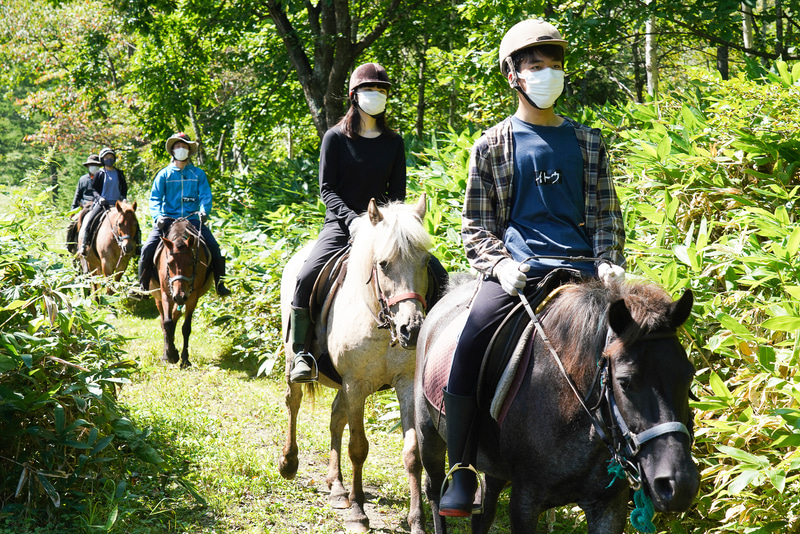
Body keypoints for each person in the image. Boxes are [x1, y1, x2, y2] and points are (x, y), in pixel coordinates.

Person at [438, 19, 627, 517]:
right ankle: (460, 471)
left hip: (585, 276)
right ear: (513, 76)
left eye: (555, 66)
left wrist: (607, 260)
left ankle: (636, 464)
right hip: (519, 276)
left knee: (643, 351)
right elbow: (476, 226)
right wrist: (498, 266)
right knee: (470, 342)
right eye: (536, 67)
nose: (549, 75)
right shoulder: (492, 145)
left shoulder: (589, 143)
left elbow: (606, 216)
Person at [288, 62, 448, 383]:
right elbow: (326, 189)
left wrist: (390, 223)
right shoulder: (334, 138)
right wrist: (353, 220)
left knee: (438, 276)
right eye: (369, 89)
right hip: (341, 225)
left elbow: (397, 194)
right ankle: (301, 353)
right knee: (306, 276)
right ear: (353, 95)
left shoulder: (393, 143)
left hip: (386, 230)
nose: (376, 94)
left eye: (381, 90)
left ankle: (440, 347)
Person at [137, 132, 231, 297]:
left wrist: (204, 211)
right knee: (147, 248)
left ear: (189, 150)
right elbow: (155, 198)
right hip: (167, 220)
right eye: (177, 146)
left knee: (215, 248)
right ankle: (141, 286)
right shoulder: (163, 175)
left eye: (184, 146)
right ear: (173, 150)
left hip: (192, 220)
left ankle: (219, 285)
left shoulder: (198, 174)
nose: (181, 149)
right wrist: (157, 216)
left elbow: (205, 196)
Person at [78, 147, 129, 257]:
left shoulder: (119, 173)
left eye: (111, 157)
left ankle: (137, 245)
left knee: (131, 220)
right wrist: (100, 198)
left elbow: (124, 188)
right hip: (103, 204)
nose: (109, 159)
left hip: (117, 204)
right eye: (106, 157)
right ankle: (84, 243)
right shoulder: (100, 173)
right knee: (90, 220)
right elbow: (94, 190)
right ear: (102, 159)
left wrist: (123, 197)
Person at [66, 154, 100, 254]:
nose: (93, 167)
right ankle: (68, 246)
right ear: (88, 166)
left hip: (99, 205)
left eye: (95, 165)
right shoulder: (83, 179)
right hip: (85, 206)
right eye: (91, 165)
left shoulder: (103, 178)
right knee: (71, 225)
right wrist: (73, 210)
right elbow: (77, 195)